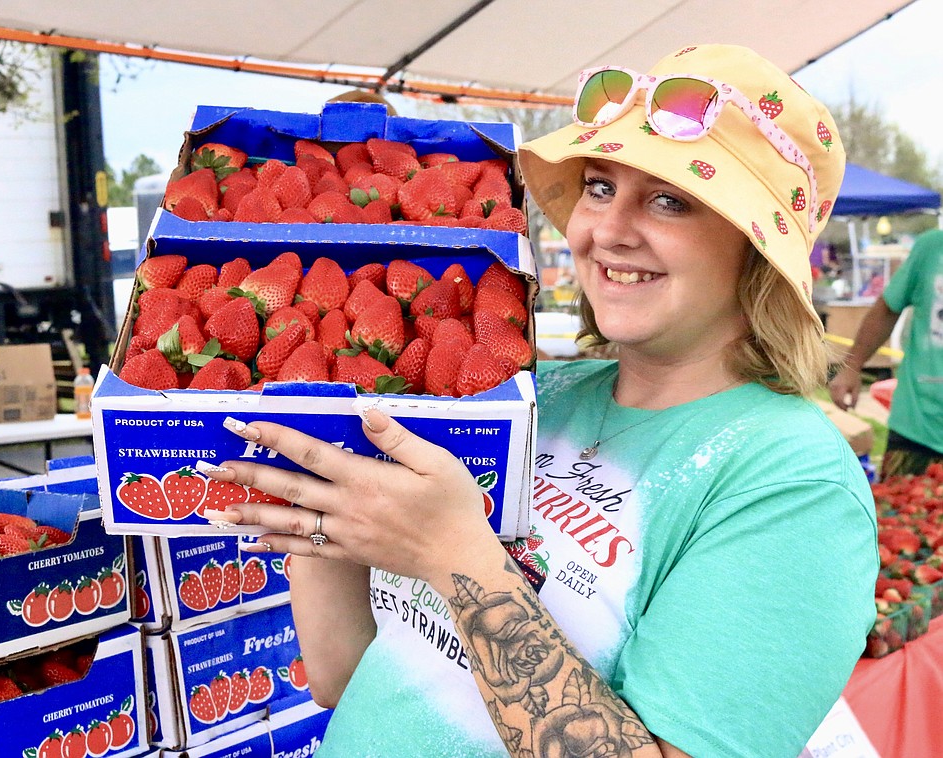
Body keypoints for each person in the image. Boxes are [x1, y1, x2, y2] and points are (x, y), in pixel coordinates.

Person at [205, 44, 878, 757]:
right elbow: (343, 672)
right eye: (598, 186)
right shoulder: (532, 399)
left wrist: (456, 558)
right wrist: (323, 472)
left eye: (668, 199)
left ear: (755, 248)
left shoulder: (794, 483)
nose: (607, 230)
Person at [829, 229, 943, 479]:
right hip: (917, 428)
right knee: (900, 511)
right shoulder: (932, 248)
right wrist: (851, 366)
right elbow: (887, 309)